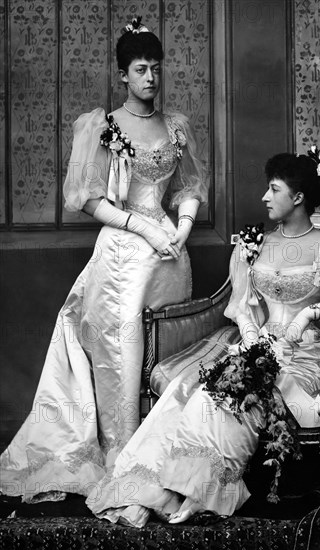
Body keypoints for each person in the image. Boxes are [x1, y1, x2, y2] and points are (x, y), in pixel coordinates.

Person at [84, 147, 320, 527]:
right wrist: (251, 335)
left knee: (241, 397)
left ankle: (199, 492)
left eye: (274, 190)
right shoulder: (256, 243)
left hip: (304, 355)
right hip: (257, 344)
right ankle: (158, 489)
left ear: (299, 197)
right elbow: (242, 305)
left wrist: (311, 312)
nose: (264, 197)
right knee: (198, 394)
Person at [0, 17, 207, 503]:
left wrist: (180, 229)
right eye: (140, 69)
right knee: (124, 346)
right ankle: (122, 450)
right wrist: (144, 227)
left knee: (170, 340)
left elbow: (189, 186)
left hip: (170, 255)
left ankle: (162, 447)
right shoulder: (104, 125)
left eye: (156, 68)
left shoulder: (176, 126)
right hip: (123, 253)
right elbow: (89, 199)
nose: (151, 78)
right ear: (123, 75)